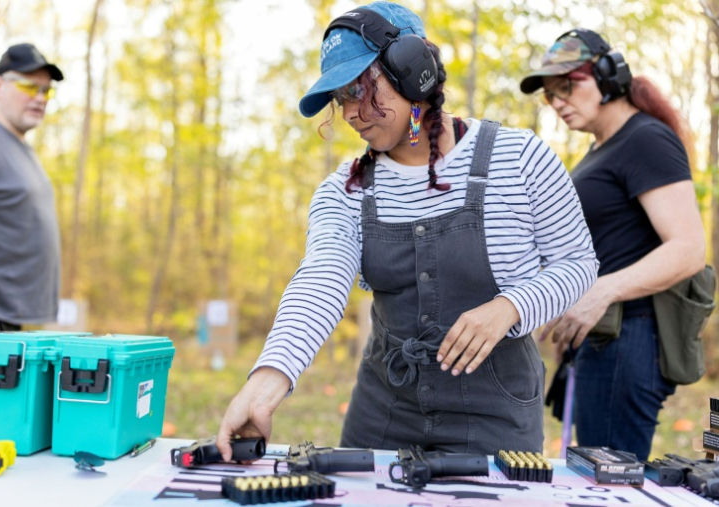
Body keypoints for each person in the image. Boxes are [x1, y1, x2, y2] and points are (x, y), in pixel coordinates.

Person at [216, 2, 598, 459]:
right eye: (341, 98)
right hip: (383, 411)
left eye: (360, 88)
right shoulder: (344, 191)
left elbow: (578, 265)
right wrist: (265, 382)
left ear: (413, 70)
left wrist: (509, 307)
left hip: (497, 414)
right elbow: (322, 277)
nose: (352, 112)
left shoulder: (519, 158)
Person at [521, 29, 705, 461]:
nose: (558, 101)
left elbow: (689, 249)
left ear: (608, 75)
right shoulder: (600, 150)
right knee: (596, 478)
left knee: (610, 485)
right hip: (603, 338)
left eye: (567, 85)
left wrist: (598, 294)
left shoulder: (645, 139)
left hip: (630, 337)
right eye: (550, 95)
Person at [0, 43, 64, 446]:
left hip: (1, 324)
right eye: (28, 86)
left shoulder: (17, 144)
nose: (39, 98)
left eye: (46, 91)